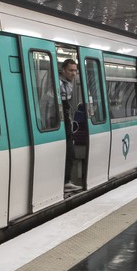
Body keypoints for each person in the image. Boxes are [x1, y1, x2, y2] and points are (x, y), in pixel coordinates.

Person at [59, 59, 82, 192]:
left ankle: (66, 180)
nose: (73, 73)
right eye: (70, 70)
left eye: (75, 70)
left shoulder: (69, 84)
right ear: (63, 69)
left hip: (67, 120)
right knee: (68, 152)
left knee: (70, 152)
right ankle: (65, 181)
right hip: (59, 121)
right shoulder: (58, 83)